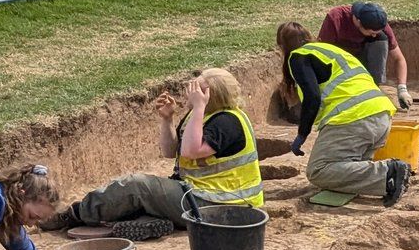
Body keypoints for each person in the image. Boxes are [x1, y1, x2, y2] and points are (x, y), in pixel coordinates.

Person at [48, 69, 262, 241]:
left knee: (136, 185)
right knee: (143, 195)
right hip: (200, 197)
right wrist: (167, 119)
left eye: (198, 89)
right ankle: (148, 221)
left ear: (210, 97)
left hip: (223, 206)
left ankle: (74, 214)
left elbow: (191, 151)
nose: (190, 93)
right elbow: (171, 152)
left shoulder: (227, 122)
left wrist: (198, 108)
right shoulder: (200, 116)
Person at [277, 22, 411, 207]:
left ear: (282, 46)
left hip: (353, 119)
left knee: (318, 170)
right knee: (347, 170)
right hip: (381, 116)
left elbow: (312, 97)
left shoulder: (298, 56)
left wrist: (302, 133)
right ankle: (387, 180)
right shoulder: (329, 50)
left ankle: (389, 171)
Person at [317, 2, 412, 110]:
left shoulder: (379, 24)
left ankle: (371, 89)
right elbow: (321, 53)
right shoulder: (335, 18)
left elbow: (399, 59)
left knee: (381, 39)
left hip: (361, 57)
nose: (374, 35)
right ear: (358, 22)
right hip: (338, 59)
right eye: (371, 32)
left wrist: (402, 89)